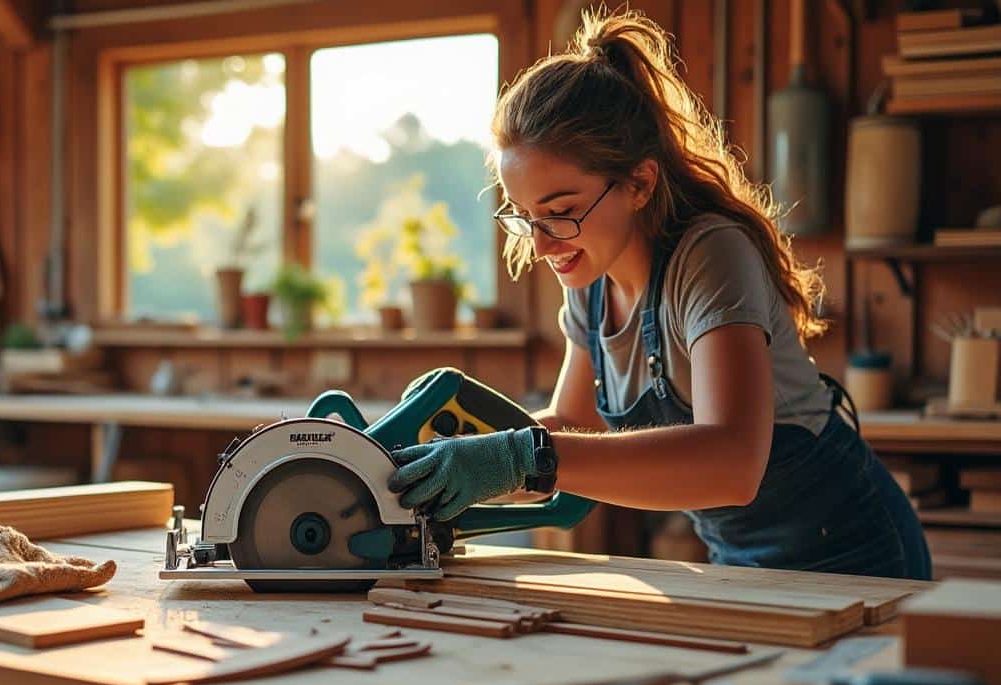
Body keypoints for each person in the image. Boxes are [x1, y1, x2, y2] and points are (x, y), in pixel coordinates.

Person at [387, 8, 931, 580]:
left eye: (561, 212)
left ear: (640, 183)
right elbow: (577, 427)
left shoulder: (710, 255)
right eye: (525, 218)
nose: (544, 245)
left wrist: (513, 458)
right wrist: (445, 464)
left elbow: (731, 463)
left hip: (856, 552)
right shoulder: (590, 279)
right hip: (741, 562)